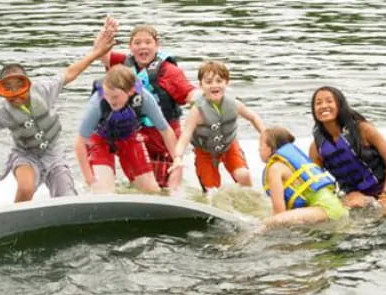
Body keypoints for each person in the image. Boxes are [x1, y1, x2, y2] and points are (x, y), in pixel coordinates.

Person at [0, 22, 117, 203]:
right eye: (8, 89)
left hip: (54, 153)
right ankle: (16, 217)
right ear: (2, 91)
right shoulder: (2, 112)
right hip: (25, 155)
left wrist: (97, 53)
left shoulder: (43, 90)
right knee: (25, 187)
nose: (15, 94)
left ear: (28, 84)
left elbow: (70, 72)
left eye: (20, 86)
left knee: (67, 197)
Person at [97, 19, 196, 188]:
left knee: (164, 184)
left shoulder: (169, 71)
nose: (143, 47)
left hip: (164, 137)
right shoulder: (123, 64)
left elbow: (190, 93)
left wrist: (202, 101)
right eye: (137, 43)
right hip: (137, 134)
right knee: (141, 184)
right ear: (130, 47)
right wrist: (106, 34)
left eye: (148, 42)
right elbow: (101, 54)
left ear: (157, 45)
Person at [74, 64, 178, 194]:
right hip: (100, 140)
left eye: (115, 96)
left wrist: (177, 159)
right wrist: (89, 177)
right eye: (107, 95)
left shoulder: (144, 99)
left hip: (129, 138)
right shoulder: (97, 103)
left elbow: (165, 130)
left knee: (152, 191)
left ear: (131, 91)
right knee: (103, 192)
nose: (110, 100)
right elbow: (80, 143)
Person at [169, 60, 265, 193]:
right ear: (201, 85)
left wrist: (265, 135)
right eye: (209, 82)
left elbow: (253, 117)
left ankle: (250, 201)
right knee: (212, 191)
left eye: (219, 81)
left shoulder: (234, 104)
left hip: (229, 146)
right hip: (205, 152)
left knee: (244, 175)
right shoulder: (197, 111)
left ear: (226, 83)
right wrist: (178, 158)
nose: (214, 85)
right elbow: (185, 136)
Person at [308, 86, 386, 209]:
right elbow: (315, 182)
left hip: (381, 190)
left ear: (340, 105)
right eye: (318, 103)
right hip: (352, 197)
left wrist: (384, 195)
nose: (323, 106)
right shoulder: (316, 148)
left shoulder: (364, 130)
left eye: (329, 101)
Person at [259, 127, 347, 228]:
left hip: (325, 210)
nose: (258, 149)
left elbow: (279, 212)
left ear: (271, 147)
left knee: (271, 222)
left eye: (261, 145)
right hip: (336, 207)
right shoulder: (290, 163)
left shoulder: (275, 168)